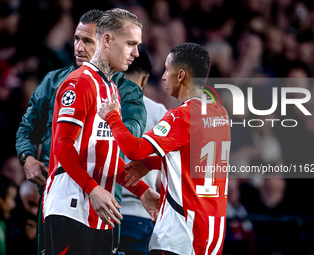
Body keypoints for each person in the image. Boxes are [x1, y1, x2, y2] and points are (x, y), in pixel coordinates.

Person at [15, 9, 147, 254]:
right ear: (108, 41)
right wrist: (28, 157)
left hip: (103, 204)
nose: (78, 47)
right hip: (70, 200)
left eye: (86, 40)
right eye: (77, 38)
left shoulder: (118, 91)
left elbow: (114, 151)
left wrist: (143, 191)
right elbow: (56, 143)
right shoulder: (71, 82)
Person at [98, 43, 231, 255]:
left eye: (167, 70)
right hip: (211, 233)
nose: (162, 77)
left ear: (180, 75)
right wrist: (150, 164)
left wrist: (112, 116)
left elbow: (135, 149)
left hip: (179, 234)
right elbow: (194, 160)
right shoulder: (219, 114)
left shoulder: (182, 116)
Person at [119, 49, 167, 255]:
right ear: (145, 79)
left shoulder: (97, 109)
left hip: (97, 210)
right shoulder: (159, 113)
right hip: (141, 215)